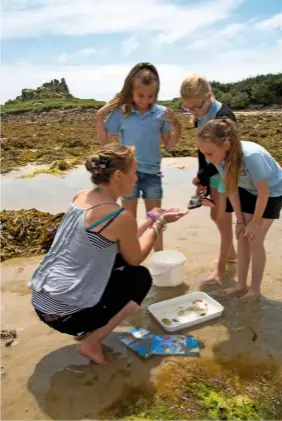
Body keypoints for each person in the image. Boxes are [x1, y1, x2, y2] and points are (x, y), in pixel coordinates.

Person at [28, 144, 187, 364]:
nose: (137, 179)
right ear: (119, 175)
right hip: (64, 315)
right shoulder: (118, 215)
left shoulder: (81, 197)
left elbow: (121, 235)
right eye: (134, 173)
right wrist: (159, 224)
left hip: (41, 301)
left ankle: (86, 328)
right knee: (139, 277)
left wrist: (151, 216)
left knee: (115, 259)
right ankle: (91, 342)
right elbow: (135, 257)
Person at [197, 118, 282, 300]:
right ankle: (241, 284)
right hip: (246, 188)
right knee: (241, 235)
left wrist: (254, 222)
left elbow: (264, 191)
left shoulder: (251, 156)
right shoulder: (219, 159)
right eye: (204, 154)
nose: (208, 159)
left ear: (226, 144)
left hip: (272, 190)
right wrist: (239, 220)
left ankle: (254, 290)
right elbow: (231, 188)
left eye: (209, 154)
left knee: (254, 239)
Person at [96, 62, 182, 252]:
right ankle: (130, 260)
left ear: (156, 93)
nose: (145, 100)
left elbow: (170, 145)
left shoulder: (161, 113)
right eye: (140, 95)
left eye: (151, 96)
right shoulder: (121, 112)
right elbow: (104, 143)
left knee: (156, 219)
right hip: (127, 174)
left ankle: (160, 260)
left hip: (152, 174)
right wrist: (100, 115)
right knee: (129, 221)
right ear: (131, 92)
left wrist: (177, 125)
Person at [180, 74, 237, 283]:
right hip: (212, 173)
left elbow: (224, 155)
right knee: (215, 217)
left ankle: (221, 271)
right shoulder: (200, 116)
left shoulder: (224, 117)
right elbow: (202, 151)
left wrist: (202, 176)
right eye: (188, 108)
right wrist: (201, 179)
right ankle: (231, 255)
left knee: (223, 220)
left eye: (196, 107)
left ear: (209, 96)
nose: (193, 112)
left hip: (225, 173)